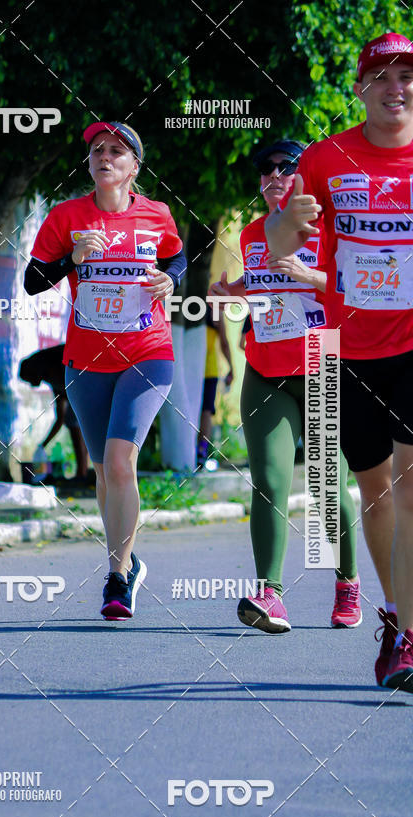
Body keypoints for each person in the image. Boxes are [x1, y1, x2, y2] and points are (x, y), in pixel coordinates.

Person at [266, 34, 413, 691]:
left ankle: (407, 634)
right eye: (381, 77)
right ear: (359, 87)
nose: (396, 89)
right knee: (375, 494)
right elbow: (278, 245)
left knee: (411, 490)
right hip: (346, 348)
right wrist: (285, 221)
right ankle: (394, 614)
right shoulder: (326, 159)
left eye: (407, 77)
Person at [24, 122, 186, 620]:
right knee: (102, 471)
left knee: (120, 463)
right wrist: (70, 258)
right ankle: (130, 561)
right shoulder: (67, 216)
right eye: (97, 149)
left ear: (134, 167)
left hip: (148, 354)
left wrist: (170, 279)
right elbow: (33, 281)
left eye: (117, 151)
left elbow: (177, 257)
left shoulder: (156, 215)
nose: (105, 157)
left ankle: (116, 577)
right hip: (86, 361)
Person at [212, 138, 360, 633]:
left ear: (303, 177)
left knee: (327, 486)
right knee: (270, 483)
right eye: (266, 170)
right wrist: (227, 291)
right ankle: (270, 594)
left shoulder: (331, 228)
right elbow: (257, 284)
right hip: (266, 370)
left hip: (322, 363)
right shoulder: (254, 233)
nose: (275, 175)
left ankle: (347, 582)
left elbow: (360, 285)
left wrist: (308, 273)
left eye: (286, 167)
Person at [19, 344, 89, 481]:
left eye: (29, 379)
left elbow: (68, 415)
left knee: (74, 422)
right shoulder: (50, 375)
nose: (31, 384)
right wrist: (43, 445)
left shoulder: (55, 368)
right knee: (72, 421)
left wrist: (43, 445)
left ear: (33, 372)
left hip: (87, 376)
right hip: (79, 382)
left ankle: (83, 473)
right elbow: (60, 419)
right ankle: (83, 472)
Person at [197, 308, 233, 466]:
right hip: (209, 369)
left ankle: (195, 450)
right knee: (206, 411)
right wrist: (232, 368)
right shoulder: (214, 311)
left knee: (193, 409)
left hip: (188, 370)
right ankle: (201, 450)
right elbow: (224, 343)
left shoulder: (184, 304)